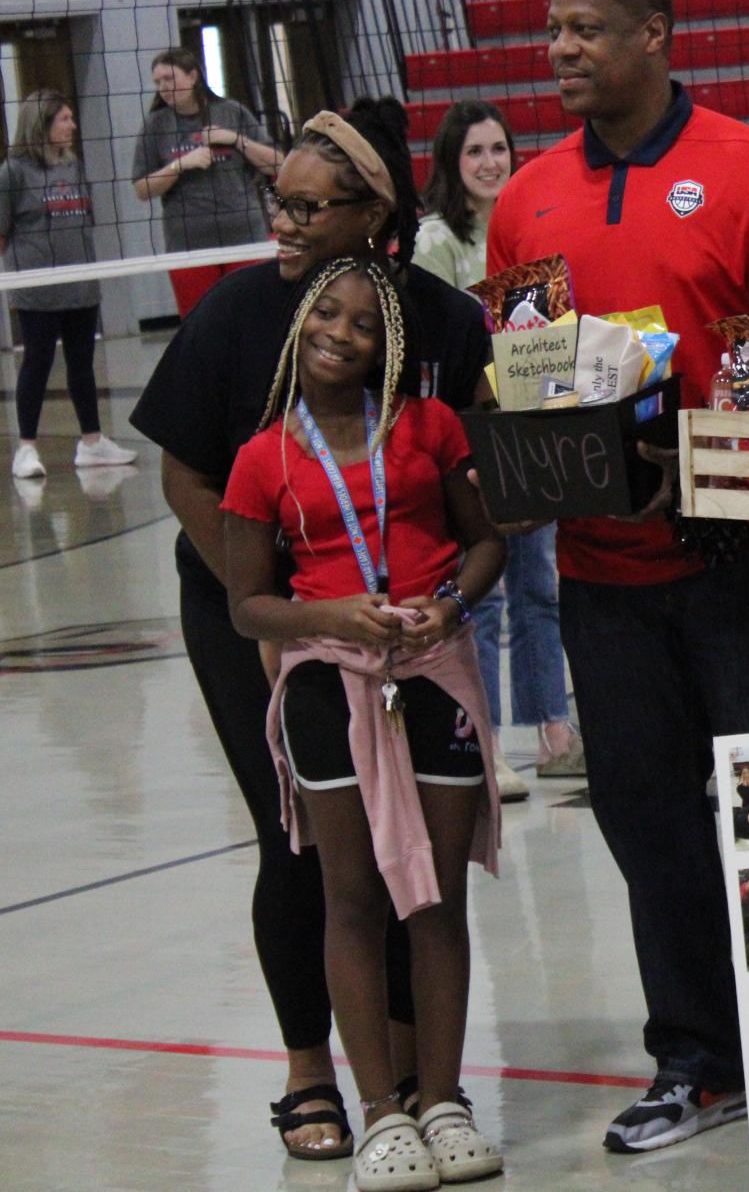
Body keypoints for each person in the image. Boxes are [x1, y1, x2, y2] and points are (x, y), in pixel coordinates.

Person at [483, 0, 749, 1154]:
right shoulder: (525, 198)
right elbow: (530, 377)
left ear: (658, 33)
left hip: (745, 558)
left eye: (589, 29)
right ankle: (695, 1056)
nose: (565, 49)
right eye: (553, 31)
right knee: (645, 818)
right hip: (602, 573)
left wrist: (709, 469)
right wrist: (542, 468)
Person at [130, 100, 492, 1163]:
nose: (280, 221)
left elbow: (482, 468)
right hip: (265, 615)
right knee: (304, 846)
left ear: (374, 213)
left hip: (408, 625)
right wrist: (276, 597)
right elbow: (186, 468)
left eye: (304, 205)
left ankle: (420, 1078)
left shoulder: (442, 320)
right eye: (274, 201)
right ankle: (309, 1071)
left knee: (417, 858)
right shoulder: (240, 313)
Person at [221, 256, 505, 1188]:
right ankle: (381, 1112)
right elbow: (247, 606)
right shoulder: (265, 457)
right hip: (326, 687)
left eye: (363, 325)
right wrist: (327, 618)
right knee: (354, 898)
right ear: (299, 325)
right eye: (324, 316)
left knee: (437, 901)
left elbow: (485, 543)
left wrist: (451, 609)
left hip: (433, 673)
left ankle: (445, 1098)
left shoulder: (428, 427)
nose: (339, 335)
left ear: (392, 350)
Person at [412, 98, 575, 796]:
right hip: (467, 432)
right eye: (474, 152)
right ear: (452, 163)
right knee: (483, 592)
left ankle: (555, 730)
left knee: (540, 583)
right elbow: (444, 347)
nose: (489, 163)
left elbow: (546, 335)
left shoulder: (528, 226)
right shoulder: (434, 243)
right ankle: (485, 739)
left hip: (525, 423)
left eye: (499, 150)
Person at [3, 90, 136, 478]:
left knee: (82, 364)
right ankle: (26, 449)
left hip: (80, 283)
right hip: (39, 287)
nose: (72, 126)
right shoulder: (13, 172)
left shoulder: (73, 165)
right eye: (65, 119)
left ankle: (92, 443)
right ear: (41, 124)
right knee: (38, 363)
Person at [130, 46, 282, 317]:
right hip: (189, 243)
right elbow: (142, 189)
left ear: (193, 77)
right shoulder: (155, 125)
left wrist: (235, 139)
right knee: (201, 323)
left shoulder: (231, 112)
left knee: (252, 318)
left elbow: (278, 163)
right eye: (157, 82)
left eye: (170, 79)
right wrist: (180, 165)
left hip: (244, 236)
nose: (163, 87)